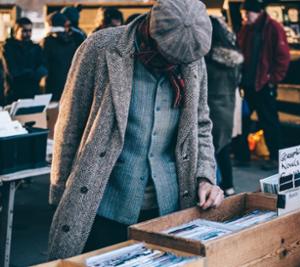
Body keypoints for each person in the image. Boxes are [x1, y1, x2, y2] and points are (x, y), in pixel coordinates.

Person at [48, 0, 223, 260]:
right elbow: (70, 123)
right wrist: (61, 195)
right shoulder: (99, 48)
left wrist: (205, 176)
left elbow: (200, 124)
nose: (175, 64)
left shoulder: (192, 61)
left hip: (168, 208)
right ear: (152, 32)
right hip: (102, 204)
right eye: (168, 56)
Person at [237, 0, 290, 169]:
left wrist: (273, 78)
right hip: (248, 84)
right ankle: (242, 156)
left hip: (264, 85)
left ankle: (276, 159)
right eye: (243, 14)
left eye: (247, 13)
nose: (244, 17)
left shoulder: (273, 27)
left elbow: (283, 57)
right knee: (241, 121)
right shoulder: (246, 29)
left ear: (257, 12)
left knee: (269, 122)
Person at [205, 16, 243, 196]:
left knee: (207, 152)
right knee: (223, 149)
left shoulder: (206, 58)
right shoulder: (232, 59)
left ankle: (213, 187)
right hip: (228, 107)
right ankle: (228, 186)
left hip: (209, 109)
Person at [0, 17, 47, 104]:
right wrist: (33, 73)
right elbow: (13, 72)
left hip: (33, 93)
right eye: (24, 31)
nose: (28, 34)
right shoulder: (8, 47)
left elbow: (43, 68)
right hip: (14, 94)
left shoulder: (36, 48)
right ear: (16, 31)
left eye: (30, 31)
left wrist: (31, 73)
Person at [42, 12, 78, 101]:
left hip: (51, 86)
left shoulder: (46, 42)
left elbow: (43, 65)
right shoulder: (72, 42)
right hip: (70, 85)